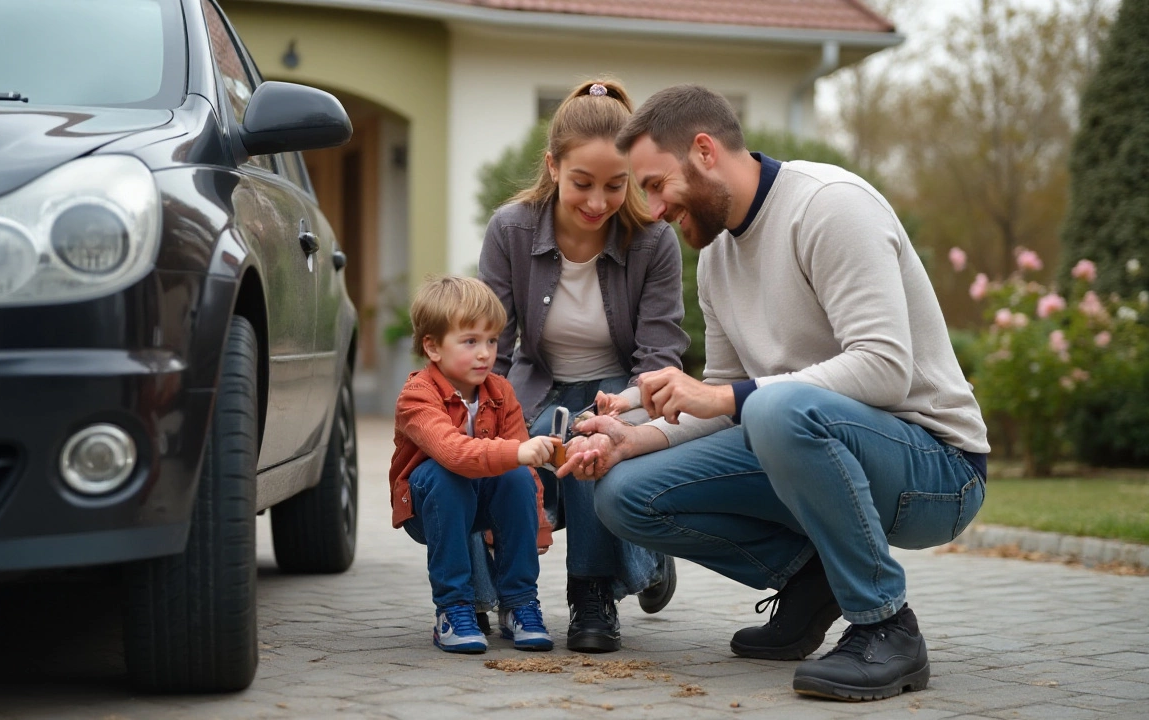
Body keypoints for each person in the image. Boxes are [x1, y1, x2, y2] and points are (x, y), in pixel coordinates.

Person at [559, 84, 989, 701]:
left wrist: (733, 399)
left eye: (654, 184)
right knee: (624, 494)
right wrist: (635, 438)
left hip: (936, 468)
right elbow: (721, 399)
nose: (651, 210)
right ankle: (814, 577)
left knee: (774, 407)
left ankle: (886, 625)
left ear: (704, 151)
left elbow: (884, 368)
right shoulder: (715, 261)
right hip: (805, 442)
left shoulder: (830, 207)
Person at [478, 78, 689, 653]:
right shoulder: (510, 231)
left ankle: (590, 593)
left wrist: (628, 412)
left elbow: (659, 354)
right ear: (552, 166)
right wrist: (479, 419)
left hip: (622, 387)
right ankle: (496, 590)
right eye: (582, 184)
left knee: (588, 441)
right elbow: (492, 348)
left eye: (616, 186)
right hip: (538, 385)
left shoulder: (654, 242)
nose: (598, 202)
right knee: (508, 452)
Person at [389, 275, 558, 654]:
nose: (485, 353)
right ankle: (453, 608)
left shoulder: (501, 391)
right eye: (470, 341)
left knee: (516, 476)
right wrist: (518, 452)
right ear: (432, 347)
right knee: (445, 474)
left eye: (492, 340)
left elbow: (525, 469)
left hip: (481, 501)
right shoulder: (416, 395)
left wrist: (538, 528)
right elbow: (452, 453)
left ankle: (519, 605)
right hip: (428, 507)